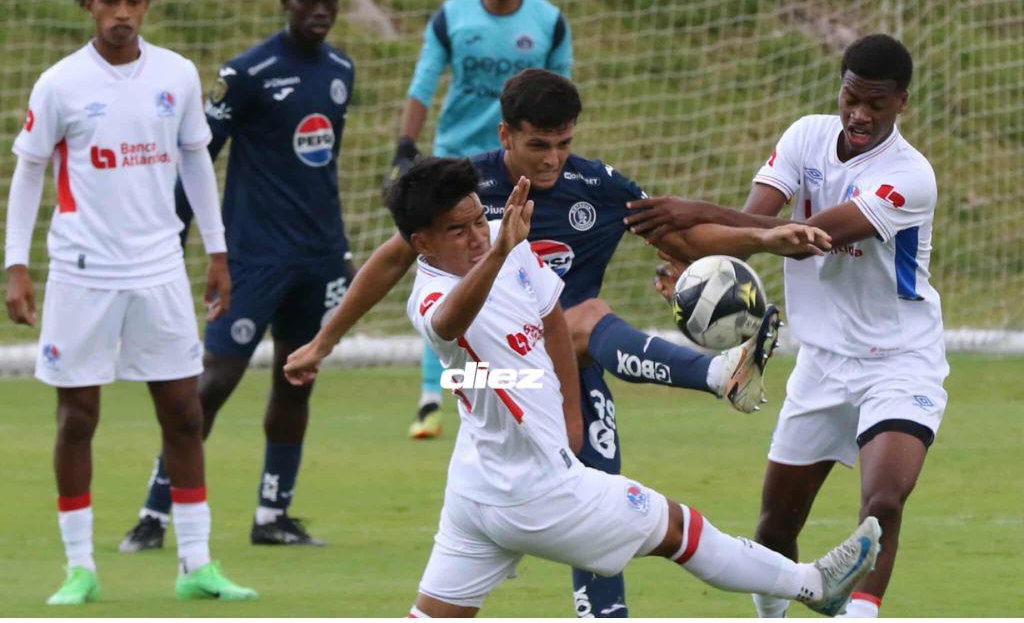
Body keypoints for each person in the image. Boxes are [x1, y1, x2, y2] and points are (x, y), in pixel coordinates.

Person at [285, 69, 832, 617]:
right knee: (652, 518)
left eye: (564, 144)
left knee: (597, 512)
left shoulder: (585, 192)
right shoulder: (465, 200)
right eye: (538, 145)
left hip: (559, 387)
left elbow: (671, 242)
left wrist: (762, 238)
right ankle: (720, 383)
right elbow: (410, 280)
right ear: (506, 137)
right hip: (518, 403)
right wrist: (324, 341)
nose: (552, 159)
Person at [383, 158, 880, 617]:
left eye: (477, 221)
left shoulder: (501, 238)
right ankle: (813, 583)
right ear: (422, 243)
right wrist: (498, 253)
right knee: (678, 529)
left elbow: (552, 315)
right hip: (531, 490)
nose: (475, 236)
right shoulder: (433, 294)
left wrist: (571, 417)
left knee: (433, 616)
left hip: (478, 482)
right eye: (457, 230)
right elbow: (449, 324)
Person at [625, 34, 945, 619]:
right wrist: (695, 265)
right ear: (840, 85)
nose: (860, 114)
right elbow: (755, 228)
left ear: (902, 102)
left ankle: (861, 612)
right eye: (852, 97)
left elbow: (805, 242)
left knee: (883, 502)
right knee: (775, 525)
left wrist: (694, 211)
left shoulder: (910, 177)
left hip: (900, 360)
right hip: (821, 363)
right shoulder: (806, 137)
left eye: (876, 103)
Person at [3, 0, 256, 604]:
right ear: (87, 3)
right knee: (77, 415)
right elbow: (30, 171)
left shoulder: (175, 74)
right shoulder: (60, 84)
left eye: (134, 1)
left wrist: (219, 252)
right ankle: (80, 568)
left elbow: (198, 162)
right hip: (82, 272)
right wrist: (17, 266)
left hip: (160, 270)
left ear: (148, 5)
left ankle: (196, 564)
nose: (122, 13)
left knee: (182, 409)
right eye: (110, 0)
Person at [118, 0, 355, 551]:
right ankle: (154, 514)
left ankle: (272, 515)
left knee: (296, 379)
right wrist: (172, 239)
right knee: (214, 381)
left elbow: (323, 170)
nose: (319, 9)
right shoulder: (247, 74)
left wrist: (342, 250)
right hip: (254, 258)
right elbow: (200, 158)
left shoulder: (341, 71)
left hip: (319, 257)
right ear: (284, 0)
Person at [391, 0, 573, 441]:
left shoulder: (549, 22)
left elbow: (559, 97)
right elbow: (423, 82)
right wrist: (406, 148)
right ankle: (433, 395)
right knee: (438, 272)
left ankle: (532, 387)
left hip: (515, 169)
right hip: (455, 168)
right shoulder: (452, 17)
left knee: (525, 274)